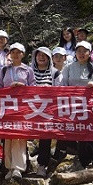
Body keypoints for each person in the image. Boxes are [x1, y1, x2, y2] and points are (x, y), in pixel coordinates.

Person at [0, 42, 34, 180]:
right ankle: (9, 166)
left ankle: (18, 167)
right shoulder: (4, 70)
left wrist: (23, 86)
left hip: (22, 106)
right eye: (13, 52)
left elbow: (34, 88)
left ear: (23, 54)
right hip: (7, 106)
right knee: (8, 136)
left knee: (19, 136)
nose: (16, 54)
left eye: (19, 52)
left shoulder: (28, 70)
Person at [60, 41, 93, 169]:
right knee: (73, 131)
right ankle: (71, 155)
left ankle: (86, 159)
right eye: (79, 51)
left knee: (87, 132)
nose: (81, 54)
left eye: (85, 51)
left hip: (89, 106)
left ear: (90, 53)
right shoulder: (68, 67)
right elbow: (63, 84)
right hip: (72, 105)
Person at [31, 46, 59, 177]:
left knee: (45, 137)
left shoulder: (55, 73)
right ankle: (23, 163)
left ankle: (42, 164)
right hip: (29, 108)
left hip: (47, 109)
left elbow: (61, 90)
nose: (41, 57)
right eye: (39, 55)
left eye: (44, 55)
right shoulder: (28, 71)